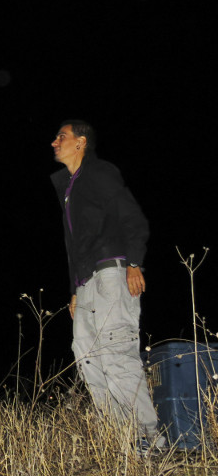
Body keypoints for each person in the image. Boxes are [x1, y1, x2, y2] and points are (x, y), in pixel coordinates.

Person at [50, 120, 166, 452]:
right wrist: (74, 289)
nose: (54, 142)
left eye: (62, 136)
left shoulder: (99, 173)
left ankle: (149, 440)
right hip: (86, 283)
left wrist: (133, 263)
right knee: (87, 357)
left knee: (116, 354)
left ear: (80, 142)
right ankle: (121, 442)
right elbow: (75, 245)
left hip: (113, 273)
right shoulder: (70, 188)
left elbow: (132, 218)